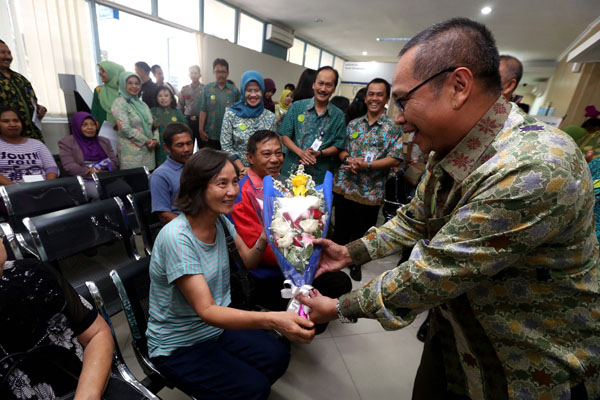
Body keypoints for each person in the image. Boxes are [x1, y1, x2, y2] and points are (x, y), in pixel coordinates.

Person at [299, 17, 600, 399]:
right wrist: (350, 252)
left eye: (404, 100)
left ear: (458, 86)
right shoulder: (450, 149)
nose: (399, 119)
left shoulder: (534, 166)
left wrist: (340, 307)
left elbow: (435, 271)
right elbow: (414, 219)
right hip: (457, 338)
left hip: (525, 369)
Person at [146, 148, 314, 400]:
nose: (233, 191)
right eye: (221, 183)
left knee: (277, 356)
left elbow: (248, 261)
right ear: (197, 187)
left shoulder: (220, 221)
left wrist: (266, 235)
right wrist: (273, 319)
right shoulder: (177, 238)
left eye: (235, 181)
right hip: (180, 344)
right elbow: (208, 311)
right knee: (254, 388)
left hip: (215, 328)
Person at [233, 130, 352, 318]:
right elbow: (256, 250)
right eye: (266, 154)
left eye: (278, 153)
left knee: (341, 282)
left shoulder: (282, 183)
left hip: (297, 262)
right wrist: (303, 258)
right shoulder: (243, 193)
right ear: (250, 158)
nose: (275, 159)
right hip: (269, 273)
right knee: (333, 285)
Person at [333, 78, 403, 280]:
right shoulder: (353, 124)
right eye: (371, 94)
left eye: (379, 94)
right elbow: (342, 149)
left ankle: (355, 264)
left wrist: (368, 166)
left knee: (363, 233)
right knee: (341, 229)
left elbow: (395, 157)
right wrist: (349, 159)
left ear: (386, 98)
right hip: (345, 185)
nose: (374, 98)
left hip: (370, 191)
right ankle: (333, 260)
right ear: (365, 97)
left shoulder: (392, 128)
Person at [279, 66, 345, 184]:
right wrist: (301, 153)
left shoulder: (338, 115)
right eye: (320, 83)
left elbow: (338, 145)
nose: (323, 89)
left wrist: (320, 153)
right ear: (313, 84)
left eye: (328, 85)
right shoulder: (297, 107)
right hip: (291, 171)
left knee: (314, 202)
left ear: (334, 88)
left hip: (318, 176)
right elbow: (284, 135)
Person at [221, 71, 276, 175]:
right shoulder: (231, 114)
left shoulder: (270, 117)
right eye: (249, 90)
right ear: (243, 91)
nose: (253, 95)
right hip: (237, 172)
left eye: (257, 90)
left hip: (263, 171)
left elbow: (273, 145)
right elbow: (226, 145)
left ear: (262, 91)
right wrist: (242, 169)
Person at [59, 111, 118, 199]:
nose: (90, 127)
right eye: (85, 125)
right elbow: (69, 166)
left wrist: (102, 172)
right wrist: (92, 173)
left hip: (105, 175)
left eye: (93, 124)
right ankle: (100, 213)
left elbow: (115, 161)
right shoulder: (66, 142)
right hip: (83, 179)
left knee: (124, 188)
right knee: (98, 192)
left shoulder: (104, 141)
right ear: (77, 126)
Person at [0, 39, 47, 141]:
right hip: (7, 142)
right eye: (3, 53)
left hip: (33, 137)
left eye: (9, 53)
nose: (8, 57)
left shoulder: (20, 78)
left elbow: (32, 101)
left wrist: (40, 109)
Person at [111, 71, 159, 170]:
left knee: (148, 183)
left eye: (137, 83)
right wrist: (147, 141)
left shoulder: (142, 104)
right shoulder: (119, 103)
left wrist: (155, 139)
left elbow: (152, 124)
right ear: (123, 84)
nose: (134, 86)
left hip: (148, 153)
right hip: (131, 156)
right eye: (130, 83)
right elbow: (125, 128)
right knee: (134, 183)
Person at [149, 122, 193, 224]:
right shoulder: (160, 176)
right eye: (180, 145)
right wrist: (194, 226)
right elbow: (164, 215)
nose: (186, 149)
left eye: (189, 143)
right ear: (167, 148)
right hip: (184, 228)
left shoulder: (198, 166)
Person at [0, 107, 58, 185]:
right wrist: (16, 189)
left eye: (16, 121)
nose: (12, 124)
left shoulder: (37, 144)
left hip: (43, 189)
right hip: (10, 192)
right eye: (6, 121)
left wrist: (47, 186)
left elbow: (51, 168)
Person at [198, 58, 241, 150]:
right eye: (217, 71)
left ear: (228, 73)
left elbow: (239, 112)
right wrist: (201, 129)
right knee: (211, 162)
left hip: (229, 134)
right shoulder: (207, 89)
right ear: (213, 72)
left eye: (223, 72)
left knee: (226, 161)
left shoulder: (234, 90)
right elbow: (203, 110)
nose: (220, 75)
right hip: (210, 134)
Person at [151, 86, 187, 166]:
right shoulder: (152, 112)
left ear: (171, 98)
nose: (163, 98)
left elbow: (185, 129)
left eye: (166, 96)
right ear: (156, 98)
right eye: (160, 96)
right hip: (158, 147)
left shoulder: (177, 113)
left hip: (175, 146)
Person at [90, 60, 125, 126]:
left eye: (103, 71)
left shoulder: (126, 91)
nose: (99, 73)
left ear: (113, 73)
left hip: (125, 129)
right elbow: (94, 111)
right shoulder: (99, 90)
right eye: (99, 71)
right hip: (103, 129)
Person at [178, 65, 205, 147]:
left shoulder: (205, 89)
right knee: (188, 143)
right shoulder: (184, 89)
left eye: (195, 73)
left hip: (201, 120)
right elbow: (180, 106)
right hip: (188, 120)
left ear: (200, 75)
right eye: (191, 73)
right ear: (189, 75)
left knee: (202, 144)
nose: (193, 75)